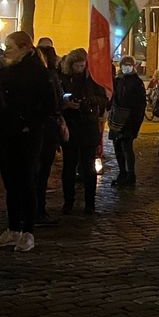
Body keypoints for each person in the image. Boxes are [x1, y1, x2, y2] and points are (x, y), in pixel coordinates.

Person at [0, 32, 57, 252]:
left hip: (28, 135)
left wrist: (28, 122)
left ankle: (27, 231)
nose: (6, 50)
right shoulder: (6, 70)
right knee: (10, 182)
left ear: (25, 47)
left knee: (26, 181)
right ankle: (13, 228)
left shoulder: (39, 73)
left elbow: (48, 105)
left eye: (10, 46)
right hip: (8, 133)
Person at [58, 48, 107, 215]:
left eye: (82, 65)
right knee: (69, 166)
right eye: (77, 66)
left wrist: (88, 102)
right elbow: (57, 98)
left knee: (88, 167)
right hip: (71, 126)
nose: (80, 68)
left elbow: (103, 98)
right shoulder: (63, 78)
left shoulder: (92, 79)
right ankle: (68, 201)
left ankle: (90, 203)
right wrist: (65, 103)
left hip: (88, 125)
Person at [35, 44, 63, 224]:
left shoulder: (49, 76)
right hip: (44, 130)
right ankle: (37, 209)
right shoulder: (48, 77)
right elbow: (54, 103)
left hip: (45, 130)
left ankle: (37, 208)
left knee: (40, 172)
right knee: (40, 173)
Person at [110, 56, 147, 187]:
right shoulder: (118, 80)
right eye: (124, 64)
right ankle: (122, 173)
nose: (126, 66)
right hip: (117, 119)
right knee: (117, 147)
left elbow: (141, 104)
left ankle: (130, 174)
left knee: (126, 146)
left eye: (129, 64)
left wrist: (136, 122)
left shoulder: (137, 82)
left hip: (130, 120)